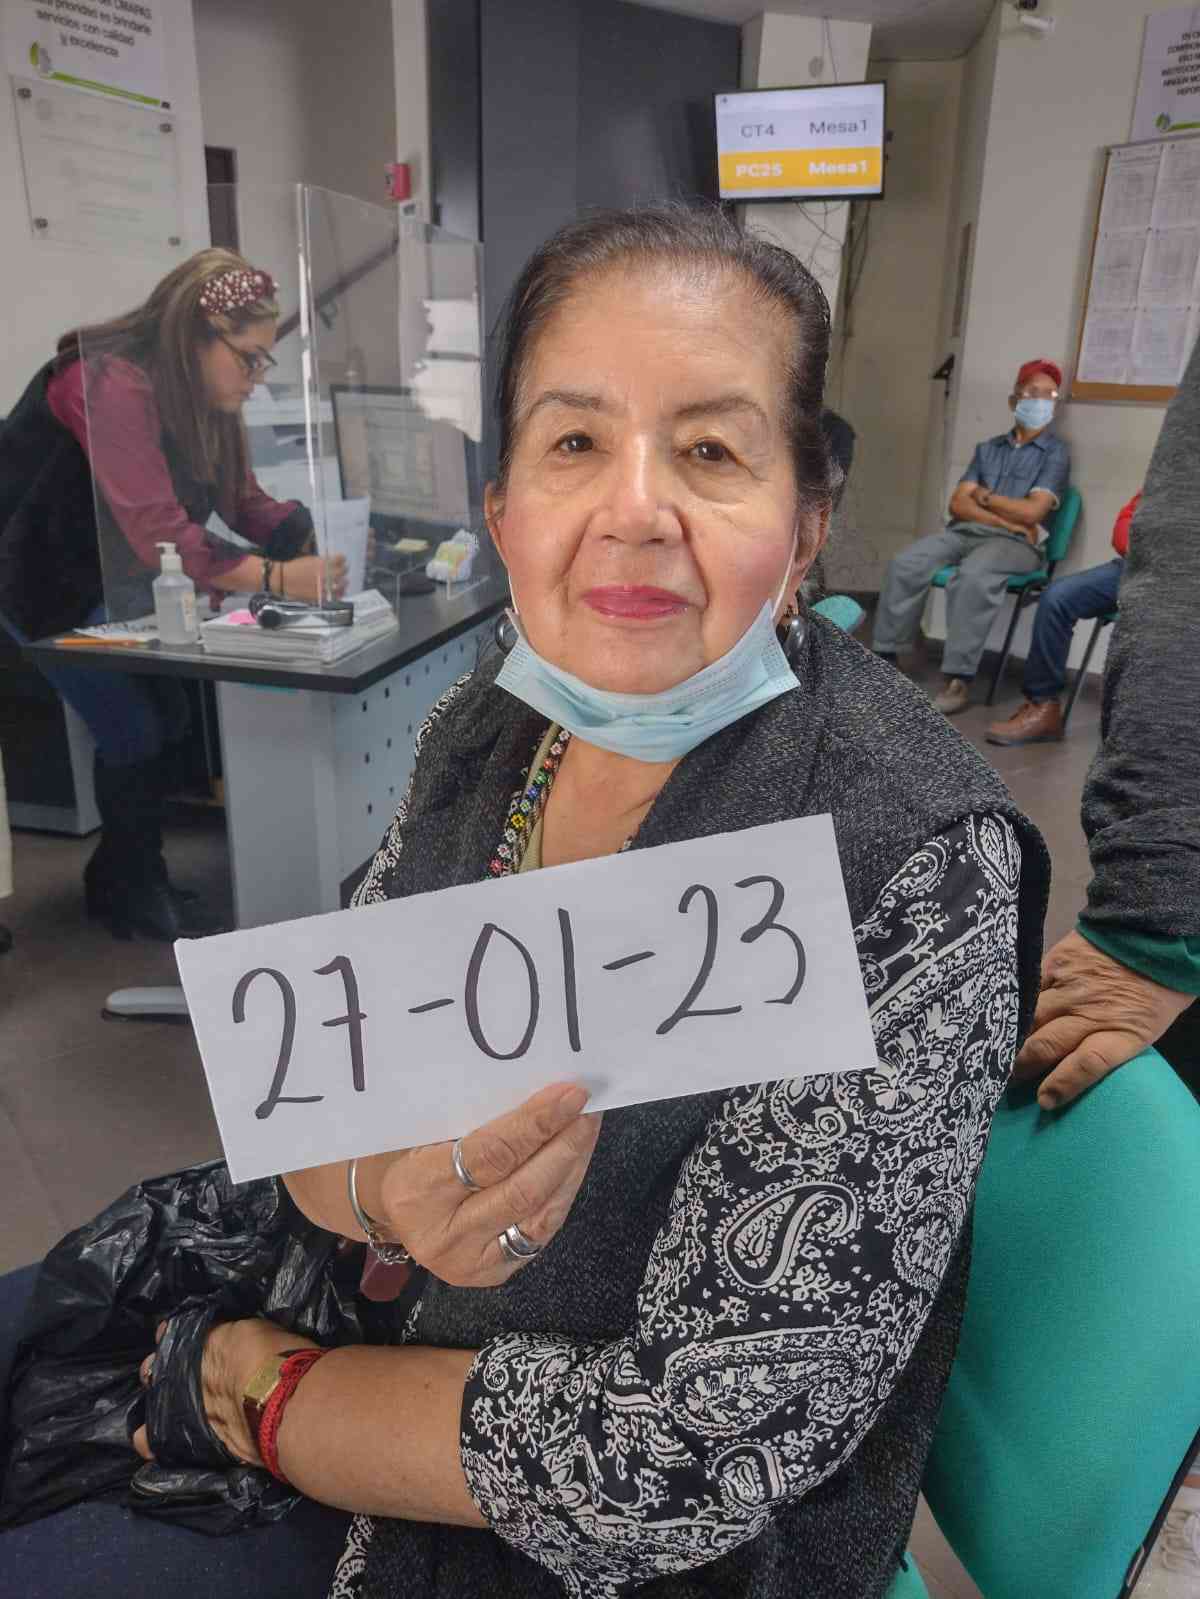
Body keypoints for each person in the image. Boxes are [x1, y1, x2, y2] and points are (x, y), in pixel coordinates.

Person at [0, 206, 1049, 1599]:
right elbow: (321, 1101)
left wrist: (264, 1393)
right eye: (574, 443)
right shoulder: (491, 725)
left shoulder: (910, 857)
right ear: (504, 513)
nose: (633, 510)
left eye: (711, 451)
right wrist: (380, 1196)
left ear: (806, 527)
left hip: (579, 1537)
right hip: (355, 1307)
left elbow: (681, 1462)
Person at [0, 249, 346, 941]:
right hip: (35, 575)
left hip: (110, 573)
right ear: (196, 337)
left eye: (264, 361)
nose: (255, 378)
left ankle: (121, 873)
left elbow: (242, 501)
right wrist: (278, 578)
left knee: (172, 716)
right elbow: (161, 529)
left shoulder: (205, 395)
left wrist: (307, 531)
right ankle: (129, 888)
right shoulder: (108, 381)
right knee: (133, 726)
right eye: (248, 359)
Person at [872, 358, 1071, 716]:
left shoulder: (1055, 454)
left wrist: (984, 497)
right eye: (1032, 392)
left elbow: (1033, 513)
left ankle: (958, 679)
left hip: (1017, 545)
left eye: (1049, 395)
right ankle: (886, 658)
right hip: (968, 532)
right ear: (1014, 400)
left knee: (973, 577)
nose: (1040, 401)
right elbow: (958, 504)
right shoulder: (988, 449)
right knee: (906, 563)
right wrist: (1006, 518)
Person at [986, 490, 1138, 746]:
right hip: (1138, 566)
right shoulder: (1172, 472)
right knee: (1058, 597)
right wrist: (1141, 551)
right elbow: (1127, 519)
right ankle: (1043, 707)